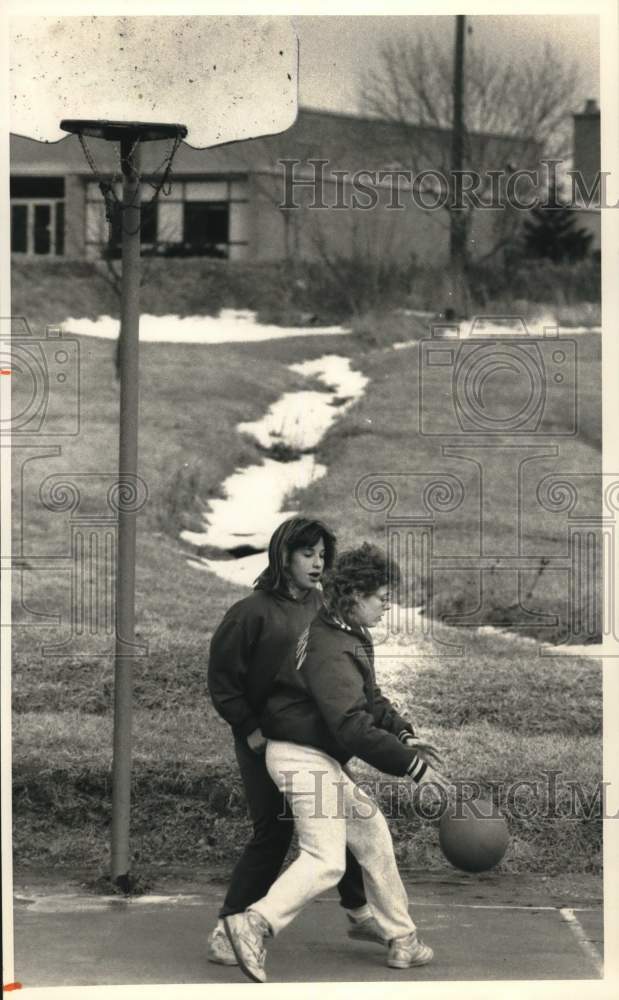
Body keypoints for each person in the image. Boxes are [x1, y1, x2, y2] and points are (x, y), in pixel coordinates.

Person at [223, 542, 448, 983]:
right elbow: (351, 726)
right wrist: (412, 768)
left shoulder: (344, 632)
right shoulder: (333, 646)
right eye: (382, 597)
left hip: (313, 755)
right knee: (326, 857)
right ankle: (254, 922)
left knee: (371, 831)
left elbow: (369, 700)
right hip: (301, 757)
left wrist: (403, 732)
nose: (388, 606)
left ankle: (401, 938)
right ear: (356, 595)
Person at [206, 518, 381, 966]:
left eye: (323, 555)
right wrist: (249, 727)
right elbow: (223, 681)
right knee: (275, 830)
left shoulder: (325, 608)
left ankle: (360, 912)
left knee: (337, 814)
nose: (318, 563)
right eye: (307, 554)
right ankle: (228, 928)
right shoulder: (250, 612)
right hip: (263, 740)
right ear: (283, 555)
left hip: (315, 737)